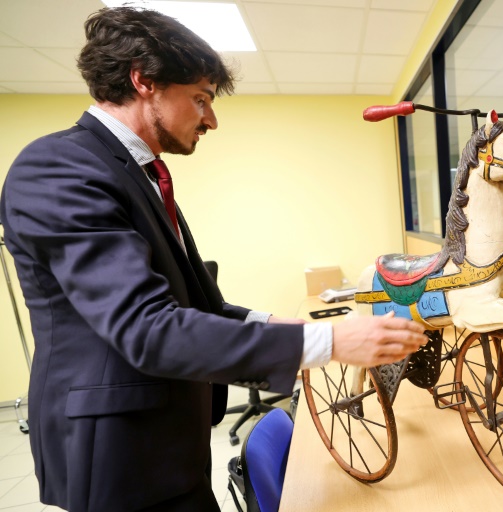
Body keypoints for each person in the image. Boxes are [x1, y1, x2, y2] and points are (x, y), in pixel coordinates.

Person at [0, 7, 426, 512]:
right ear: (144, 81)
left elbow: (191, 303)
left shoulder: (140, 176)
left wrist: (276, 324)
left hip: (169, 442)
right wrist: (328, 341)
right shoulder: (58, 168)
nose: (211, 119)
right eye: (200, 99)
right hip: (120, 455)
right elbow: (146, 327)